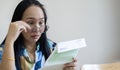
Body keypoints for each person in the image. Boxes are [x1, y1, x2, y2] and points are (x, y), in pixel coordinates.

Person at [0, 0, 77, 70]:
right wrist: (10, 40)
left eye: (41, 22)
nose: (37, 28)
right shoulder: (4, 50)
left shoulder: (53, 48)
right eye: (30, 22)